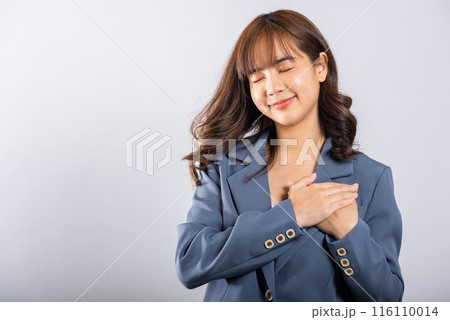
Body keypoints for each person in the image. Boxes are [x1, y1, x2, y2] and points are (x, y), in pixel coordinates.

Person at [175, 9, 404, 302]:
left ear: (320, 66)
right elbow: (189, 263)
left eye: (284, 68)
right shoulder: (225, 165)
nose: (272, 87)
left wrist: (348, 232)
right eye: (257, 78)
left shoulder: (371, 178)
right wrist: (292, 215)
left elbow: (387, 300)